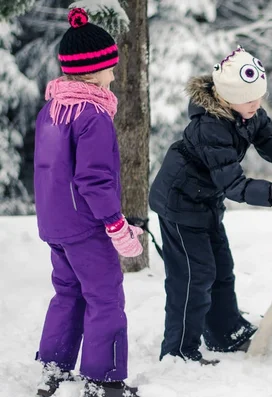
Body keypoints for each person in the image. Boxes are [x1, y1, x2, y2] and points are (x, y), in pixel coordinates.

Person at [149, 46, 272, 364]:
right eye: (248, 99)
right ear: (226, 97)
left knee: (222, 270)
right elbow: (233, 185)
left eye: (259, 97)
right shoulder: (210, 128)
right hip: (179, 204)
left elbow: (270, 140)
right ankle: (178, 351)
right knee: (193, 277)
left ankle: (224, 331)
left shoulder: (249, 111)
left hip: (206, 202)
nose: (256, 105)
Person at [34, 8, 143, 397]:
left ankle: (53, 369)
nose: (114, 75)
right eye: (110, 67)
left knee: (68, 293)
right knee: (105, 297)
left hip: (56, 225)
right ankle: (103, 380)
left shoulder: (53, 108)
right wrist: (116, 225)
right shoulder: (93, 114)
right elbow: (93, 179)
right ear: (94, 70)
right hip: (86, 227)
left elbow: (53, 172)